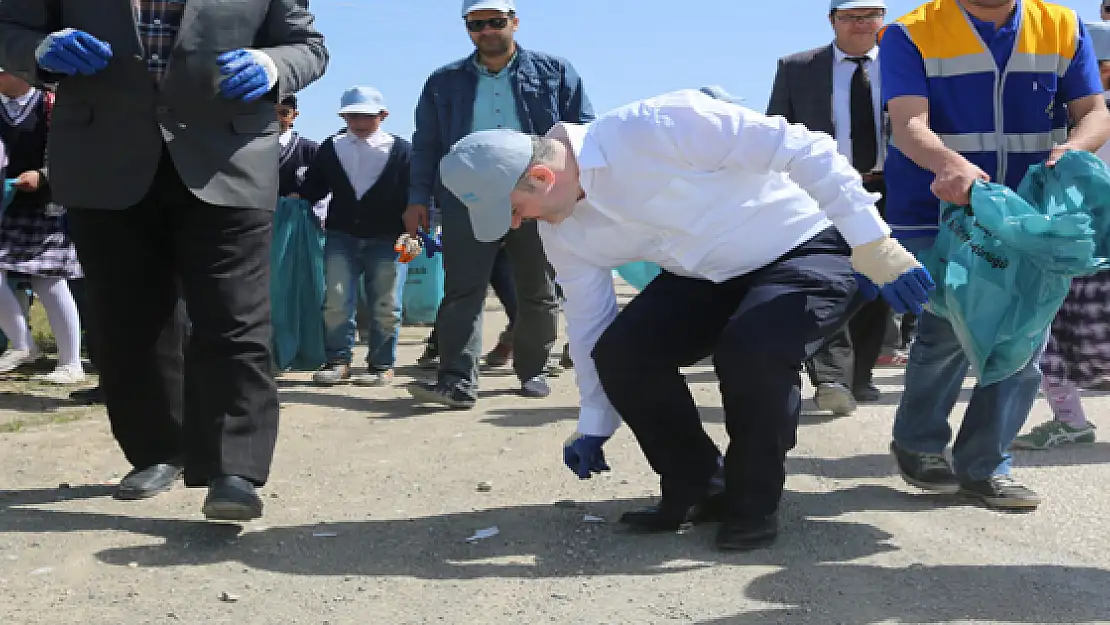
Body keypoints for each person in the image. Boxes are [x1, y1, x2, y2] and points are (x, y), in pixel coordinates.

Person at [436, 88, 933, 551]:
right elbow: (589, 325)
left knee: (753, 348)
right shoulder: (563, 232)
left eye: (517, 210)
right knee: (623, 353)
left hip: (801, 248)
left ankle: (752, 501)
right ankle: (698, 487)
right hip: (702, 273)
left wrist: (875, 245)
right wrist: (594, 420)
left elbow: (805, 148)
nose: (519, 225)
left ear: (543, 177)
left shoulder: (657, 126)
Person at [0, 0, 328, 520]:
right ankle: (157, 451)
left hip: (229, 158)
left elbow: (307, 47)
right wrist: (38, 51)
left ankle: (233, 469)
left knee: (235, 316)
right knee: (129, 321)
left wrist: (272, 67)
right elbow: (9, 27)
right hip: (102, 160)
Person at [880, 0, 1110, 510]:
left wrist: (1075, 149)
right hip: (939, 208)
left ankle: (986, 466)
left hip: (1030, 214)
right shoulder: (911, 32)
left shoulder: (1062, 25)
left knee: (1024, 337)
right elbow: (907, 123)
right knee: (947, 330)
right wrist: (949, 164)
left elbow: (1093, 111)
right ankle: (918, 444)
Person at [404, 0, 594, 408]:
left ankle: (533, 370)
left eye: (495, 21)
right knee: (462, 290)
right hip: (466, 199)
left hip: (535, 194)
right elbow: (426, 145)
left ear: (514, 22)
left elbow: (583, 130)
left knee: (538, 289)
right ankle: (456, 380)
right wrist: (418, 197)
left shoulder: (556, 72)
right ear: (467, 28)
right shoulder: (443, 82)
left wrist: (579, 190)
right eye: (476, 24)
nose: (486, 30)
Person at [767, 0, 891, 411]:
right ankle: (831, 377)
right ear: (832, 21)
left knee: (877, 282)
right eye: (850, 17)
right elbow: (777, 130)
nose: (860, 24)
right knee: (826, 278)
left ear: (883, 19)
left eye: (870, 16)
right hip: (819, 192)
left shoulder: (903, 64)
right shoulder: (797, 68)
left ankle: (861, 375)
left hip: (888, 188)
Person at [1012, 20, 1110, 451]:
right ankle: (1069, 419)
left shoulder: (1076, 119)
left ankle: (1070, 420)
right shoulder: (1071, 118)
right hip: (1076, 243)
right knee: (1052, 336)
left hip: (1078, 244)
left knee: (1049, 335)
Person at [296, 86, 411, 387]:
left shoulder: (402, 151)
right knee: (335, 300)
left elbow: (417, 195)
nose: (358, 123)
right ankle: (338, 360)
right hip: (341, 235)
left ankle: (382, 364)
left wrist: (420, 231)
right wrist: (291, 199)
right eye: (352, 117)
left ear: (383, 116)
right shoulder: (331, 147)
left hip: (389, 237)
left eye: (365, 117)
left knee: (387, 303)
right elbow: (315, 187)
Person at [0, 70, 84, 384]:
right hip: (5, 203)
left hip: (46, 207)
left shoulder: (51, 104)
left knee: (48, 281)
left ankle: (71, 361)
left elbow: (74, 152)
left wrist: (43, 175)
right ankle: (23, 345)